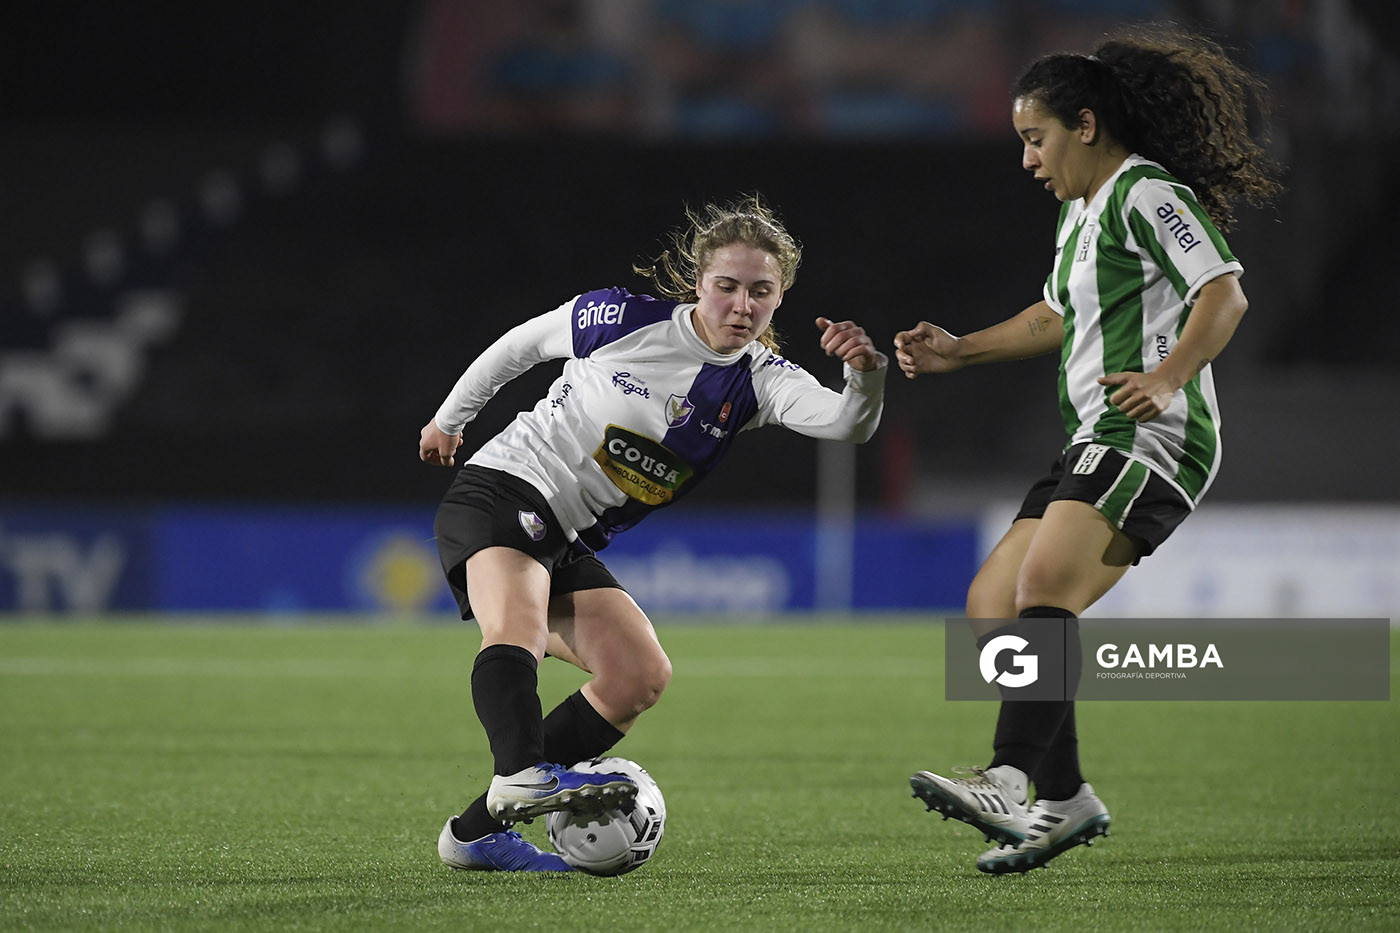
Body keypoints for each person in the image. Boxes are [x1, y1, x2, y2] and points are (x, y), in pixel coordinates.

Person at [894, 26, 1283, 874]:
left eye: (1036, 138)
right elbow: (1054, 317)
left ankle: (1005, 775)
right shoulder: (1082, 212)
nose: (1029, 159)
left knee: (1044, 590)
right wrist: (960, 349)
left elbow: (1224, 292)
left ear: (1087, 124)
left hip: (1153, 433)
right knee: (993, 607)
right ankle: (1065, 797)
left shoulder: (1146, 192)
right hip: (1093, 435)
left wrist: (1172, 374)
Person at [419, 194, 888, 871]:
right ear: (699, 282)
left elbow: (849, 422)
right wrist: (449, 419)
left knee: (639, 673)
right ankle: (520, 774)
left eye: (761, 291)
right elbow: (520, 345)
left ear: (780, 297)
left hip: (563, 535)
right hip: (504, 487)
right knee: (515, 626)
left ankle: (474, 832)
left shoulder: (758, 383)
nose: (741, 305)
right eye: (726, 286)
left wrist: (864, 376)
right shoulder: (619, 319)